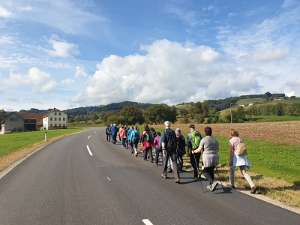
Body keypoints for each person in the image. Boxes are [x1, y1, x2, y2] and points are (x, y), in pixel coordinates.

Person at [229, 129, 257, 194]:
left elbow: (231, 151)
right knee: (244, 172)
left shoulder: (231, 141)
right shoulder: (241, 139)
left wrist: (230, 160)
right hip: (242, 157)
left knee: (231, 171)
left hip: (236, 157)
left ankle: (232, 185)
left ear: (231, 134)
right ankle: (252, 186)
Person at [193, 127, 219, 192]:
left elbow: (199, 149)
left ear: (205, 132)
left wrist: (194, 151)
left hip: (207, 157)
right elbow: (217, 149)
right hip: (215, 157)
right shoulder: (215, 140)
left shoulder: (204, 140)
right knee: (211, 171)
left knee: (204, 172)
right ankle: (211, 186)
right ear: (211, 132)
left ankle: (212, 182)